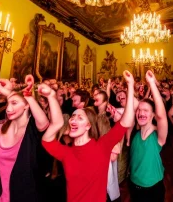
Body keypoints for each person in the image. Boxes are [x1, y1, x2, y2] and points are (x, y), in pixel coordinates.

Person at [41, 70, 135, 202]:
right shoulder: (67, 153)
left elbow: (126, 121)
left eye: (80, 118)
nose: (73, 120)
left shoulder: (102, 146)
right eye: (73, 117)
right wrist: (51, 96)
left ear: (88, 125)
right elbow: (46, 141)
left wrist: (130, 85)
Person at [0, 75, 49, 202]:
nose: (8, 109)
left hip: (25, 195)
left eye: (14, 103)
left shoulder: (32, 131)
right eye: (8, 103)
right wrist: (8, 91)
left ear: (27, 105)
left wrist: (28, 96)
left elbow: (43, 122)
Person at [129, 70, 168, 202]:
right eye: (139, 110)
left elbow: (162, 116)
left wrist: (152, 83)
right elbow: (131, 104)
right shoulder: (135, 133)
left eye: (146, 110)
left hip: (153, 188)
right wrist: (130, 84)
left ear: (152, 115)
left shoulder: (158, 135)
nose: (141, 113)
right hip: (134, 184)